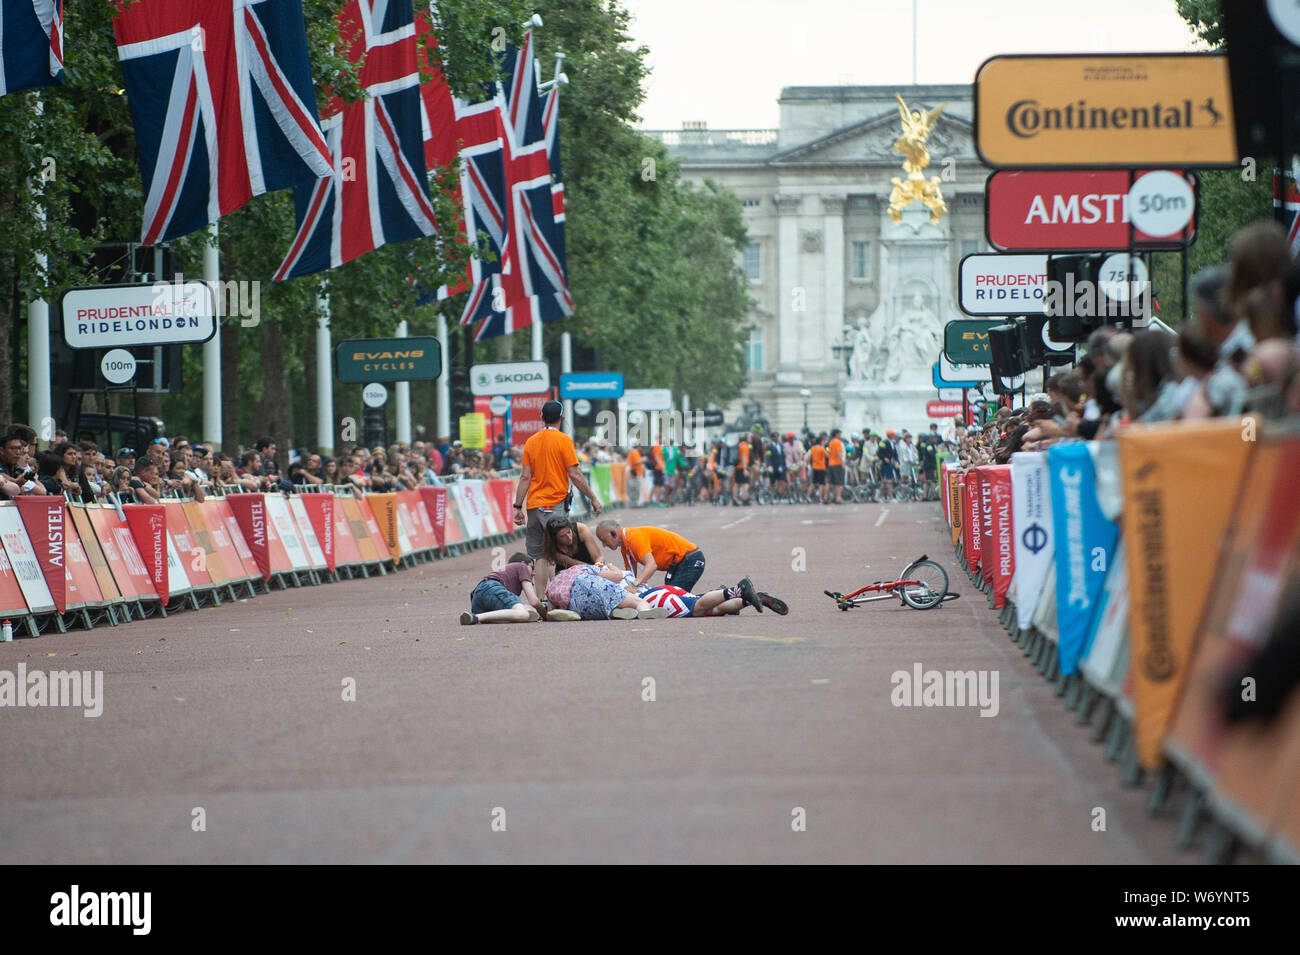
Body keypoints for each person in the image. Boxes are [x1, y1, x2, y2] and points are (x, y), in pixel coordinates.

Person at [514, 401, 602, 589]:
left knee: (539, 557)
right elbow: (574, 474)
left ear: (541, 417)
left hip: (534, 506)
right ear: (562, 417)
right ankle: (557, 598)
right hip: (554, 505)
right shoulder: (564, 441)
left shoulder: (531, 441)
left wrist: (517, 507)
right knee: (556, 552)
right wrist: (593, 498)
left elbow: (525, 476)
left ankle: (540, 601)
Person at [595, 520, 707, 592]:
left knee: (675, 597)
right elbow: (630, 576)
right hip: (678, 565)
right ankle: (716, 597)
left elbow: (651, 565)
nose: (604, 545)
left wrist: (635, 585)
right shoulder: (625, 548)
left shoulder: (634, 538)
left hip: (690, 560)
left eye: (604, 540)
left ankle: (718, 597)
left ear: (613, 533)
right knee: (670, 596)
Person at [544, 561, 667, 620]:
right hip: (590, 583)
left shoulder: (554, 584)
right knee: (638, 601)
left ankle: (614, 613)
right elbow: (617, 576)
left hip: (576, 605)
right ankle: (644, 611)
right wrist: (610, 565)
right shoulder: (583, 568)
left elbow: (549, 612)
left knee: (604, 610)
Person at [640, 576, 789, 617]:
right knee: (714, 609)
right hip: (656, 592)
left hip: (649, 597)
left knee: (697, 608)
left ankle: (738, 590)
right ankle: (751, 599)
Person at [461, 552, 544, 625]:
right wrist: (545, 614)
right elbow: (534, 601)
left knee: (516, 612)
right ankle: (476, 617)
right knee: (523, 614)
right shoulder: (522, 566)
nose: (534, 573)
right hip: (493, 587)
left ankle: (474, 617)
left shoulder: (506, 574)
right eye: (532, 567)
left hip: (478, 594)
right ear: (523, 563)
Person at [0, 425, 47, 498]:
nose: (18, 452)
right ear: (2, 450)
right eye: (13, 448)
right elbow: (15, 489)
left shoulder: (15, 466)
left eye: (19, 449)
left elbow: (43, 491)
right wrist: (17, 482)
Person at [806, 433, 827, 503]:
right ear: (821, 441)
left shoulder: (813, 448)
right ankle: (820, 498)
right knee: (821, 484)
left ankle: (808, 497)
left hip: (814, 467)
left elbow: (809, 458)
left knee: (813, 483)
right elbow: (828, 456)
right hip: (821, 468)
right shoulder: (822, 448)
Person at [826, 429, 846, 504]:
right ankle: (838, 498)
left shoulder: (831, 442)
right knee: (838, 483)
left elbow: (830, 453)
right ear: (837, 434)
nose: (840, 435)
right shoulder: (838, 442)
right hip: (837, 464)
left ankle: (826, 498)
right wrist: (842, 463)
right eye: (839, 434)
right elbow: (838, 453)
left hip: (831, 464)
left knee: (830, 482)